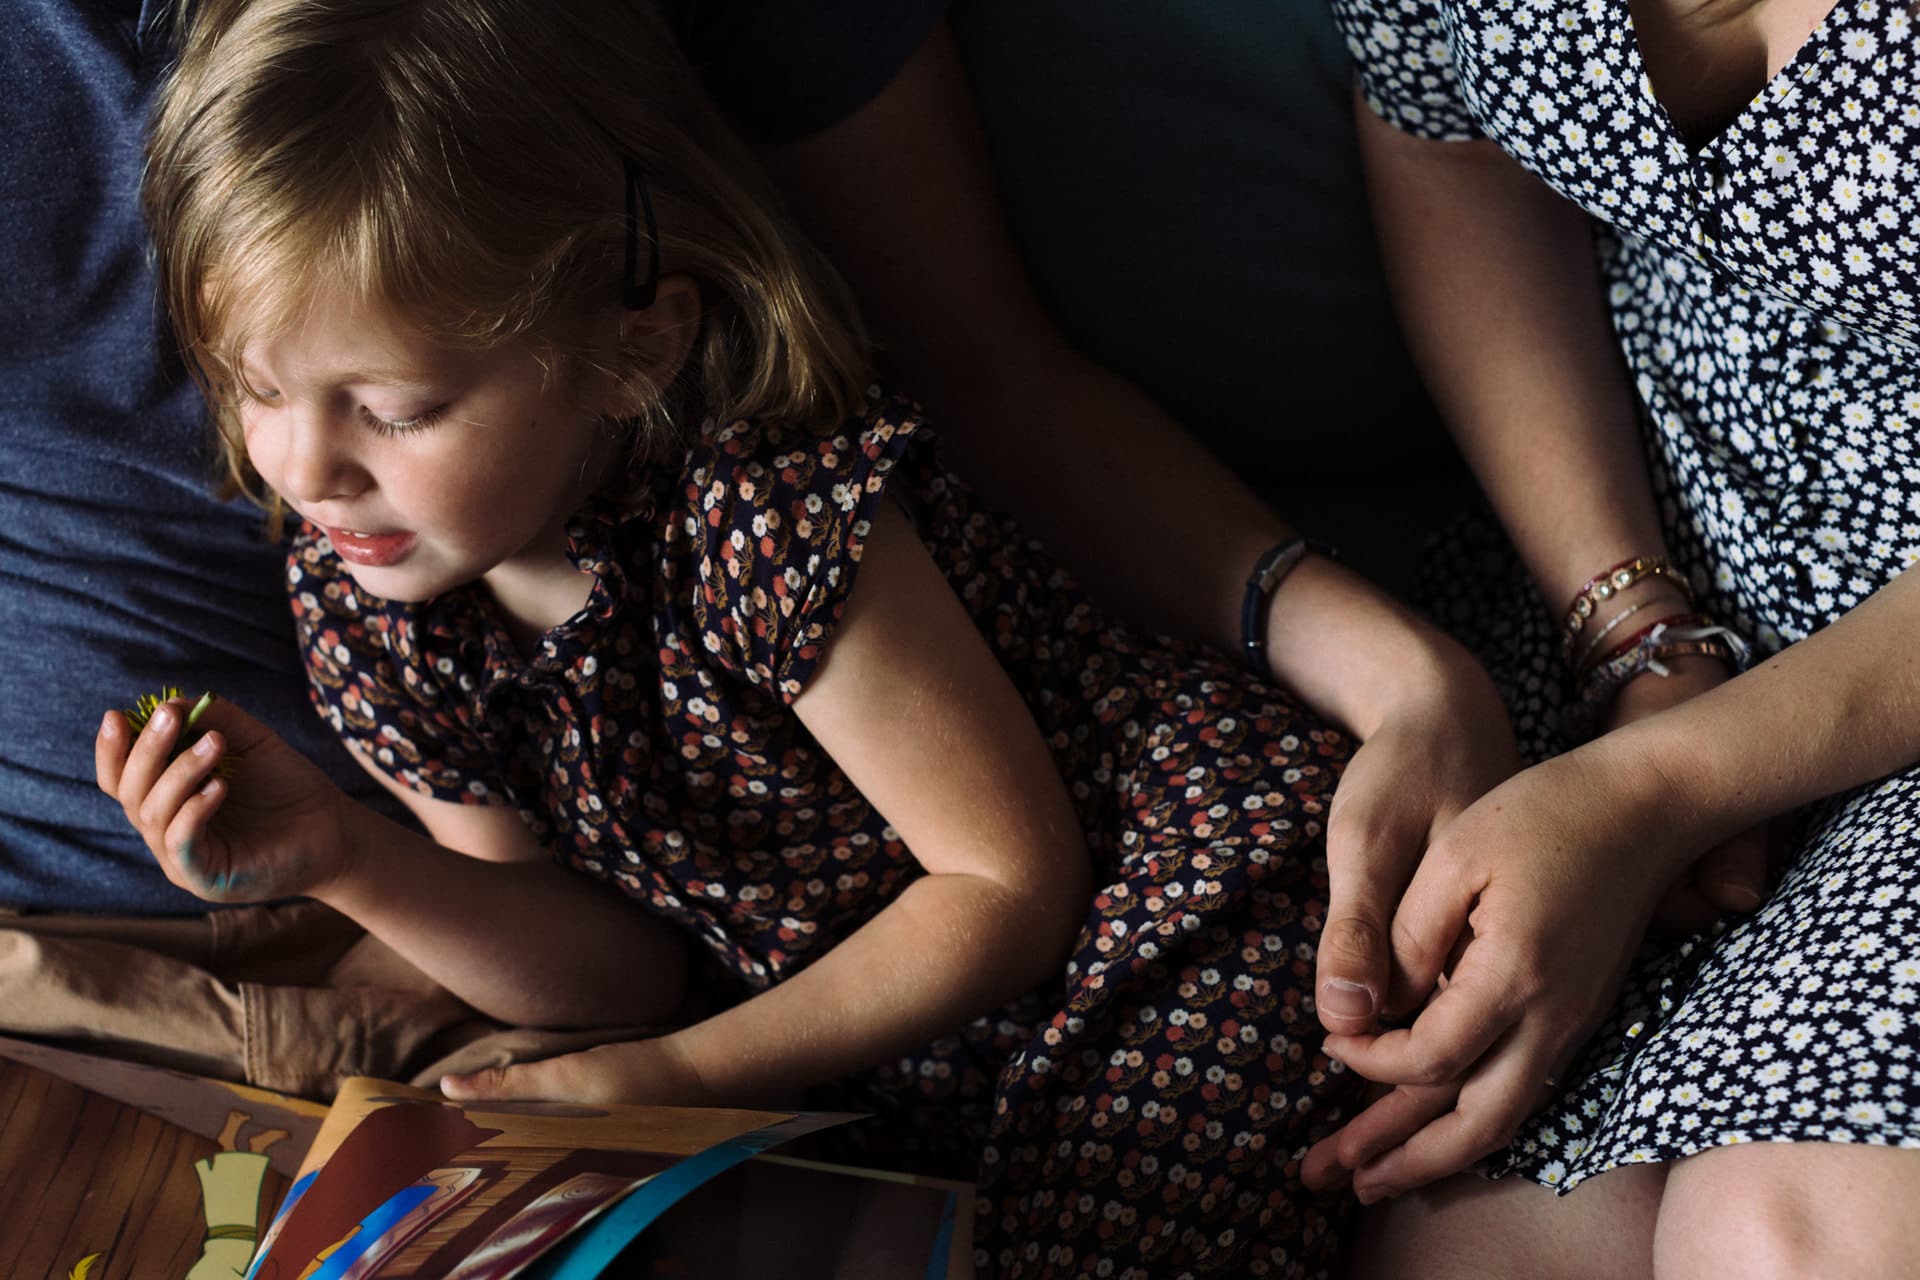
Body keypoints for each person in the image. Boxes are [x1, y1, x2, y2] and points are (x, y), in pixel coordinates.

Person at [93, 1, 1522, 1274]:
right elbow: (612, 971)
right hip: (906, 1048)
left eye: (393, 412)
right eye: (253, 389)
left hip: (1170, 912)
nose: (310, 468)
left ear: (629, 348)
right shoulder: (372, 591)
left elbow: (1008, 881)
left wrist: (679, 1076)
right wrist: (353, 864)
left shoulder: (757, 511)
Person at [1304, 0, 1920, 1274]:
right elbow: (1442, 136)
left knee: (1783, 1240)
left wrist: (1656, 788)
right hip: (1635, 585)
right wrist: (1636, 625)